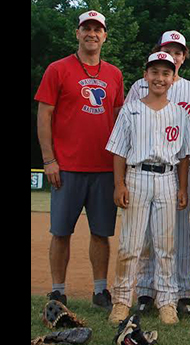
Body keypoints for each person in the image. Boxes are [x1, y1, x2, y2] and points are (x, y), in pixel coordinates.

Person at [34, 10, 125, 311]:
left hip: (103, 167)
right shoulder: (58, 69)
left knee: (101, 232)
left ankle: (100, 290)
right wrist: (49, 159)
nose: (92, 34)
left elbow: (117, 119)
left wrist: (119, 169)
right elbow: (44, 116)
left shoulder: (114, 74)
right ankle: (58, 291)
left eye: (97, 29)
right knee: (61, 231)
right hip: (67, 167)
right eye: (86, 28)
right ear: (77, 33)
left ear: (105, 36)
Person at [105, 52, 190, 325]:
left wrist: (181, 187)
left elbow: (183, 155)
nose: (160, 78)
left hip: (167, 178)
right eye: (154, 72)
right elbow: (119, 151)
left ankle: (167, 302)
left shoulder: (179, 112)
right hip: (137, 176)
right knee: (130, 244)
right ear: (146, 75)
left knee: (166, 245)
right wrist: (119, 184)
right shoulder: (131, 109)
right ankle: (121, 301)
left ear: (172, 77)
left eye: (166, 73)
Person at [124, 30, 190, 317]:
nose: (173, 54)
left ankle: (182, 291)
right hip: (142, 171)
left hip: (175, 174)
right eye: (168, 49)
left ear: (184, 57)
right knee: (145, 235)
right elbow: (128, 131)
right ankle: (146, 290)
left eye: (178, 51)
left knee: (178, 235)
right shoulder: (139, 86)